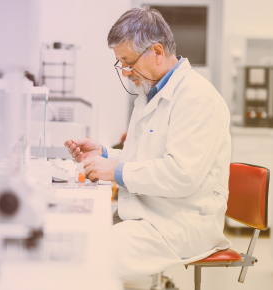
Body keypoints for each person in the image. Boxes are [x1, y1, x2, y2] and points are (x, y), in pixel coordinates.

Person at [64, 6, 231, 281]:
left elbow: (180, 175)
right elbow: (143, 157)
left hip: (179, 224)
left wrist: (113, 170)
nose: (126, 72)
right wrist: (105, 153)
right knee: (76, 236)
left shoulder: (197, 98)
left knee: (88, 260)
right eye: (121, 64)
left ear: (156, 52)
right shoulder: (149, 95)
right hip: (148, 213)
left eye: (128, 62)